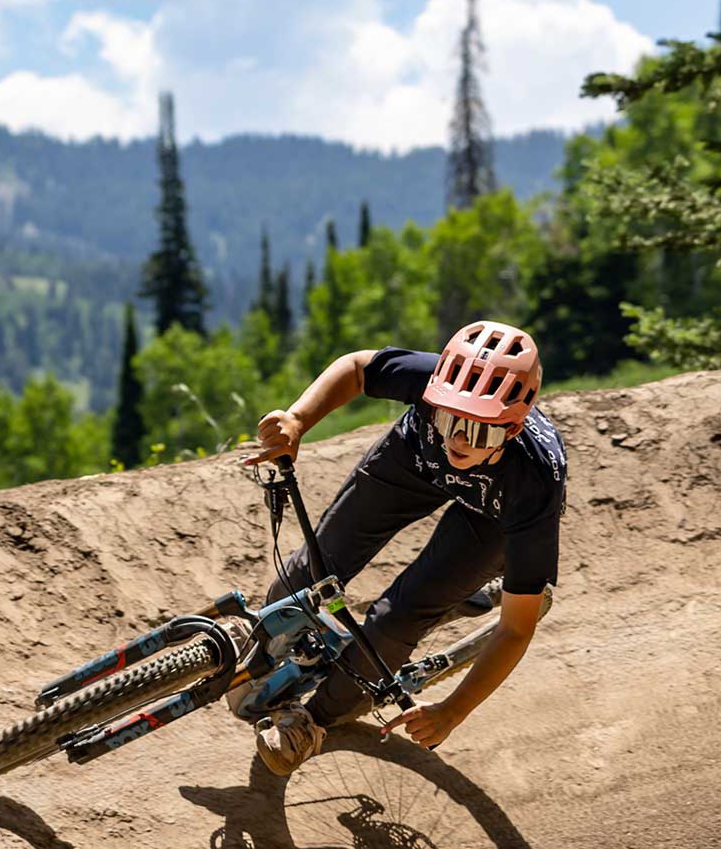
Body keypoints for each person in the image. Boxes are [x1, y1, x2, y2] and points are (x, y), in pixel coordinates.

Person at [240, 321, 567, 775]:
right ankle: (259, 653)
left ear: (511, 430)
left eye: (478, 433)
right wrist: (298, 419)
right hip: (413, 460)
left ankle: (314, 722)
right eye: (449, 418)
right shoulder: (431, 379)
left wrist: (453, 711)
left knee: (396, 617)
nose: (456, 440)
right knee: (312, 571)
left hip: (494, 513)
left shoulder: (534, 489)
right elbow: (357, 368)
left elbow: (515, 631)